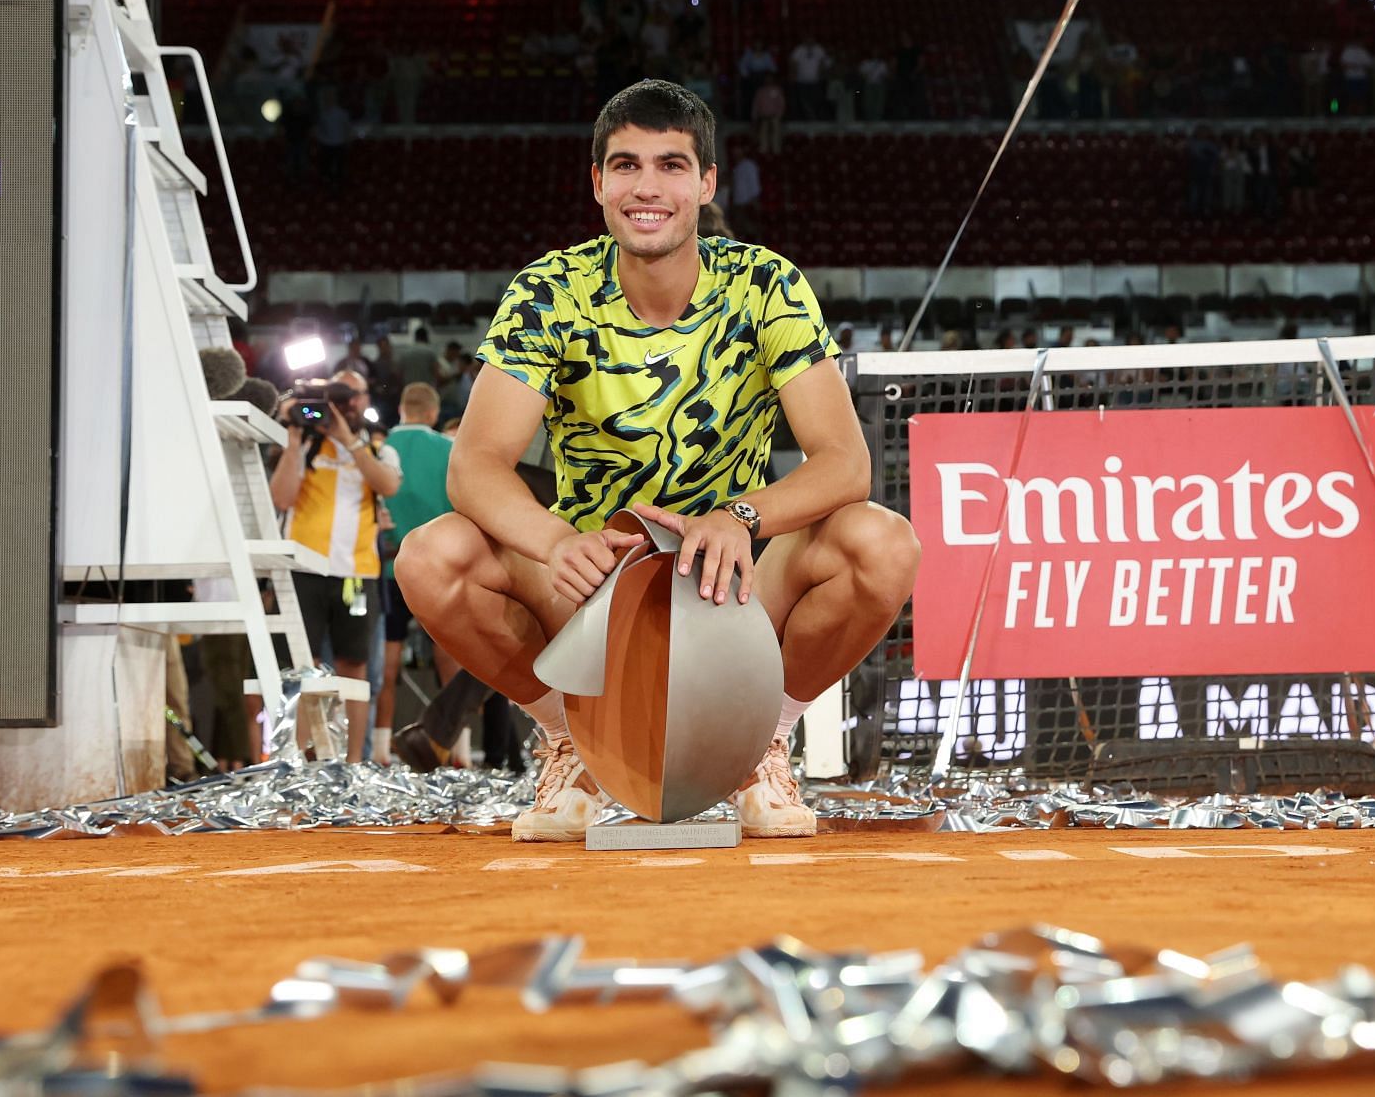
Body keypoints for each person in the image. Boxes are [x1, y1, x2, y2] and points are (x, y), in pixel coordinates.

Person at [395, 80, 921, 842]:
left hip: (730, 592)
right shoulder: (549, 291)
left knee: (882, 541)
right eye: (627, 164)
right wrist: (553, 540)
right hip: (590, 595)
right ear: (598, 182)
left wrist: (742, 516)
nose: (648, 186)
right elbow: (473, 466)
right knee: (430, 556)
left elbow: (845, 463)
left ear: (706, 183)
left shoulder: (765, 284)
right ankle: (571, 735)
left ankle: (762, 741)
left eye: (672, 165)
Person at [270, 369, 403, 760]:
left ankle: (353, 763)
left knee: (354, 668)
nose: (346, 405)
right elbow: (281, 498)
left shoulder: (379, 448)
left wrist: (348, 439)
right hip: (303, 568)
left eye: (353, 396)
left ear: (365, 400)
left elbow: (389, 486)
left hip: (355, 572)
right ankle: (297, 762)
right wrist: (294, 439)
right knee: (302, 667)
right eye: (337, 397)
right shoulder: (307, 443)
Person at [377, 383, 463, 763]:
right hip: (437, 567)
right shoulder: (448, 449)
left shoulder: (378, 449)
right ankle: (457, 751)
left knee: (386, 663)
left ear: (401, 408)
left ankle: (378, 751)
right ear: (432, 412)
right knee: (451, 657)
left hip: (386, 565)